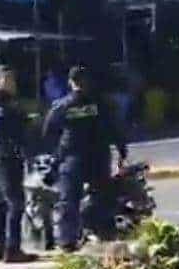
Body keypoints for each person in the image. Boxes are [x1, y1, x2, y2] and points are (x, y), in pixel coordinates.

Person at [45, 66, 127, 252]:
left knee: (69, 200)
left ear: (70, 83)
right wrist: (122, 151)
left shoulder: (63, 105)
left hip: (73, 158)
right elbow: (115, 128)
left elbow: (48, 131)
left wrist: (55, 155)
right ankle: (104, 234)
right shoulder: (101, 103)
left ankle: (68, 241)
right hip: (98, 157)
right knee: (102, 197)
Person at [0, 67, 37, 263]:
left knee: (0, 204)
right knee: (15, 203)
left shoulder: (3, 102)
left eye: (12, 80)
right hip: (6, 156)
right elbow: (0, 125)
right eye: (7, 80)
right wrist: (22, 122)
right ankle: (12, 249)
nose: (12, 84)